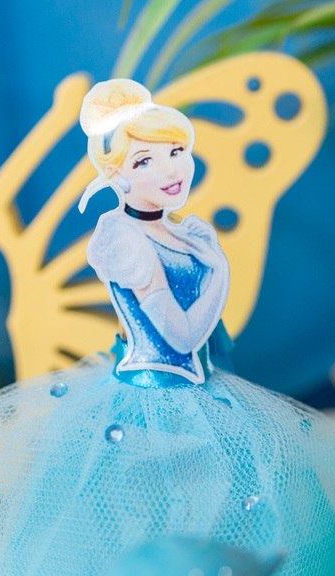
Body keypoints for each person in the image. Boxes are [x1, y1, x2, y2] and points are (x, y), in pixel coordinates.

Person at [78, 78, 229, 385]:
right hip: (152, 390)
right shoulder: (126, 240)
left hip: (200, 380)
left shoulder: (183, 234)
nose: (171, 170)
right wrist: (219, 271)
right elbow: (182, 339)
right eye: (144, 161)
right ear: (115, 174)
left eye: (176, 151)